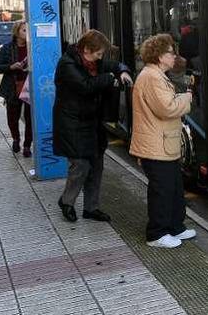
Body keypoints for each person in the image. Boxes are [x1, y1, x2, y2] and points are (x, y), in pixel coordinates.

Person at [53, 30, 132, 223]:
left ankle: (91, 208)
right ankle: (67, 201)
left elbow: (115, 64)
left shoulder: (95, 62)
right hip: (72, 124)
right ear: (87, 49)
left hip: (93, 123)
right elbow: (85, 86)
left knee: (97, 165)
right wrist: (109, 78)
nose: (101, 57)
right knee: (80, 165)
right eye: (98, 53)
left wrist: (121, 70)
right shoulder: (67, 64)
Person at [129, 34, 194, 249]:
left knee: (174, 187)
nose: (174, 56)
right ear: (159, 56)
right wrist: (187, 98)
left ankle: (175, 226)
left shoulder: (156, 75)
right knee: (162, 190)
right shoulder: (152, 77)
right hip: (155, 146)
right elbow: (167, 108)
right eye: (170, 52)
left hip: (163, 144)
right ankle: (157, 233)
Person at [0, 20, 32, 157]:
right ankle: (16, 139)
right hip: (13, 86)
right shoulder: (7, 48)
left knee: (30, 117)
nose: (27, 33)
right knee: (12, 116)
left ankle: (27, 145)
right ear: (16, 32)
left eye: (28, 30)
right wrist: (11, 67)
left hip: (30, 86)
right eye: (24, 30)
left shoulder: (32, 47)